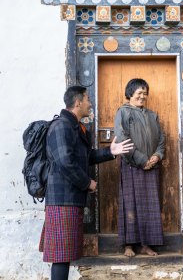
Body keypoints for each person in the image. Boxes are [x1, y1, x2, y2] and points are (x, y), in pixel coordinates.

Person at [39, 85, 134, 280]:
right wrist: (87, 183)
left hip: (70, 199)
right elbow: (65, 162)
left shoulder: (75, 126)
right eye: (88, 99)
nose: (90, 103)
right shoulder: (61, 126)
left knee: (64, 254)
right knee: (61, 256)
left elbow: (85, 157)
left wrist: (110, 152)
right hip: (61, 200)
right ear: (78, 102)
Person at [114, 78, 165, 257]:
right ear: (130, 94)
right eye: (139, 93)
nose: (142, 96)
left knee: (150, 205)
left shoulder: (152, 115)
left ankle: (146, 244)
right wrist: (142, 159)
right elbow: (122, 138)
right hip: (132, 166)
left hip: (152, 166)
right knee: (130, 204)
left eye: (145, 93)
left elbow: (161, 139)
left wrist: (156, 156)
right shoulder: (123, 112)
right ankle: (129, 245)